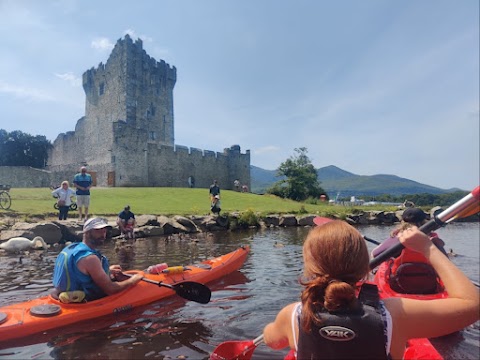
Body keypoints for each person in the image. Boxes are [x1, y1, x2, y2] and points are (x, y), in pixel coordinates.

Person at [263, 220, 479, 359]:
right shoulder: (395, 314)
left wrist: (273, 330)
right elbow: (472, 305)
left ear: (309, 267)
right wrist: (428, 248)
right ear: (365, 268)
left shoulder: (292, 315)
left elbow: (272, 341)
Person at [52, 217, 142, 302]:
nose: (103, 235)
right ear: (87, 232)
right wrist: (132, 281)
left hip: (62, 295)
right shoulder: (90, 258)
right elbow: (111, 290)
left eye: (104, 231)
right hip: (81, 300)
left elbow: (77, 273)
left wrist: (107, 271)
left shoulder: (71, 248)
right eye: (98, 231)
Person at [371, 207, 448, 257]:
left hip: (400, 280)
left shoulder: (398, 237)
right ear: (424, 221)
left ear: (403, 222)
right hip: (428, 278)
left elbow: (374, 254)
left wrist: (382, 246)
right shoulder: (433, 238)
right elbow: (445, 259)